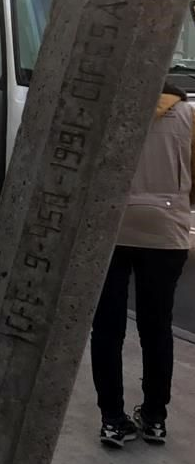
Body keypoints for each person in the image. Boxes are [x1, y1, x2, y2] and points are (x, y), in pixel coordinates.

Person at [90, 81, 193, 449]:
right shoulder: (188, 115)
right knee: (157, 328)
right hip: (166, 234)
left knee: (107, 328)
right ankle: (154, 418)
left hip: (110, 230)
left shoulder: (107, 111)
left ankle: (112, 420)